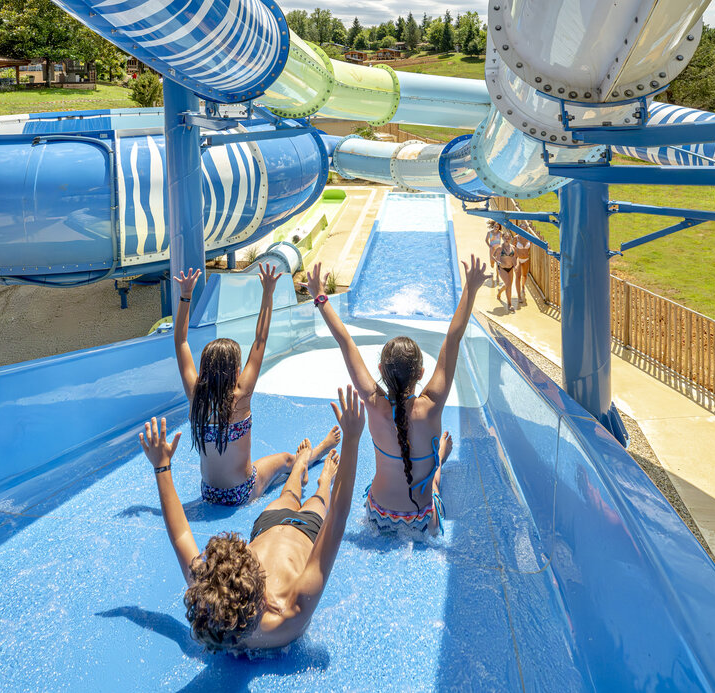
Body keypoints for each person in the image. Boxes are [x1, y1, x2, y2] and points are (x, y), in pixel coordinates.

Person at [138, 384, 365, 652]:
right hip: (306, 533)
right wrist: (352, 440)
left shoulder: (212, 595)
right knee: (319, 500)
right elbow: (337, 518)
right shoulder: (291, 611)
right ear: (256, 599)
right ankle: (323, 477)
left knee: (289, 493)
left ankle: (301, 464)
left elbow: (180, 534)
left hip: (269, 524)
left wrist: (162, 467)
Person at [304, 254, 489, 535]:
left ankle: (438, 456)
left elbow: (345, 341)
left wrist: (320, 297)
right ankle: (440, 456)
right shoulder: (431, 406)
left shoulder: (373, 403)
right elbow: (453, 339)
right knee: (433, 481)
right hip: (423, 521)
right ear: (421, 373)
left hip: (378, 514)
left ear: (380, 369)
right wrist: (470, 288)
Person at [172, 265, 338, 506]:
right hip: (241, 492)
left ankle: (307, 458)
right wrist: (268, 292)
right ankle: (316, 453)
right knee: (286, 460)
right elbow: (261, 338)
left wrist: (186, 294)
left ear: (205, 369)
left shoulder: (195, 395)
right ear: (235, 371)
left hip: (209, 493)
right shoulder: (241, 395)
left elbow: (181, 342)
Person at [493, 234, 519, 312]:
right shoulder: (500, 248)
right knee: (508, 284)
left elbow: (516, 257)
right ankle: (509, 304)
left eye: (508, 237)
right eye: (505, 237)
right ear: (502, 238)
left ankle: (500, 291)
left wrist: (516, 266)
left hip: (510, 268)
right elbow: (493, 256)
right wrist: (498, 263)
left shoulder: (513, 248)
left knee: (508, 285)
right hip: (502, 268)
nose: (507, 239)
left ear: (510, 238)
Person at [512, 232, 532, 308]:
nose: (523, 230)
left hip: (526, 259)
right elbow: (512, 248)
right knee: (518, 277)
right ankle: (519, 296)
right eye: (522, 229)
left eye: (524, 229)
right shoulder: (516, 238)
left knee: (524, 275)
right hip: (518, 259)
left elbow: (529, 247)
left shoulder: (528, 238)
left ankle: (523, 286)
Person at [485, 222, 503, 288]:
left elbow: (504, 239)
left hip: (498, 250)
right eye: (495, 226)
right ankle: (491, 264)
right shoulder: (489, 233)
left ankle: (497, 276)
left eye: (497, 227)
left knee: (498, 263)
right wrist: (489, 246)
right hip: (492, 249)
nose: (496, 228)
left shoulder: (500, 233)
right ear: (493, 226)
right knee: (492, 263)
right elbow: (486, 240)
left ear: (499, 228)